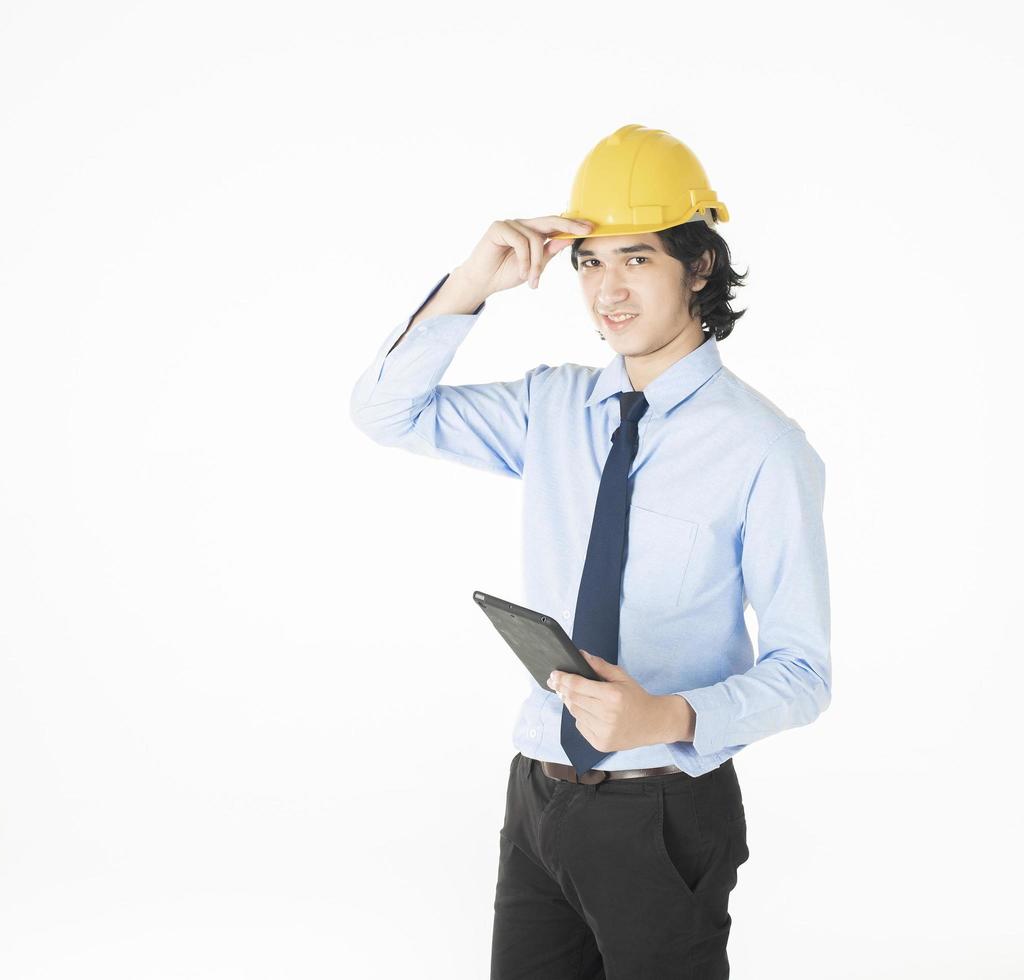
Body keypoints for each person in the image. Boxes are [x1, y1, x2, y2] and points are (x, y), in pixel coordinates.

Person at [350, 124, 831, 979]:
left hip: (664, 811)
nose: (607, 290)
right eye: (589, 262)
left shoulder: (765, 450)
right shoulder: (552, 409)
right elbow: (387, 412)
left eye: (636, 260)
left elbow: (804, 672)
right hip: (539, 796)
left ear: (699, 266)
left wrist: (667, 718)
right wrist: (471, 283)